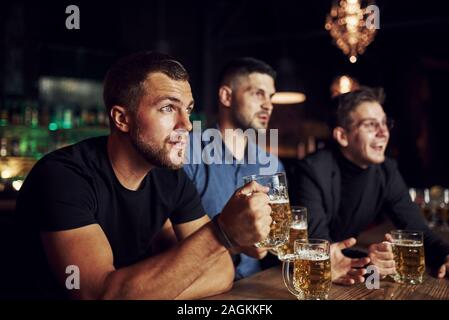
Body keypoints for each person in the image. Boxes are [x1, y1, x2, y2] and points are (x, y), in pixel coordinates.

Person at [11, 52, 273, 299]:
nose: (187, 125)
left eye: (188, 109)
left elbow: (222, 271)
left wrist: (148, 292)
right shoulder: (63, 177)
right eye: (168, 108)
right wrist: (221, 233)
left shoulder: (171, 178)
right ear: (121, 119)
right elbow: (98, 294)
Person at [183, 58, 369, 284]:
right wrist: (233, 243)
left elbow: (278, 241)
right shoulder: (187, 153)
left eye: (270, 97)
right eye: (257, 94)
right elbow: (171, 244)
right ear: (226, 96)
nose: (268, 105)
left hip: (255, 285)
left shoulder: (271, 164)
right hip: (199, 288)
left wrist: (317, 259)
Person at [292, 86, 449, 279]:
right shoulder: (311, 170)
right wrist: (368, 260)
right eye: (370, 125)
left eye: (384, 123)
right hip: (293, 277)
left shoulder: (386, 171)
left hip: (343, 276)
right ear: (342, 136)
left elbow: (418, 232)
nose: (384, 133)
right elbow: (317, 246)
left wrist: (445, 255)